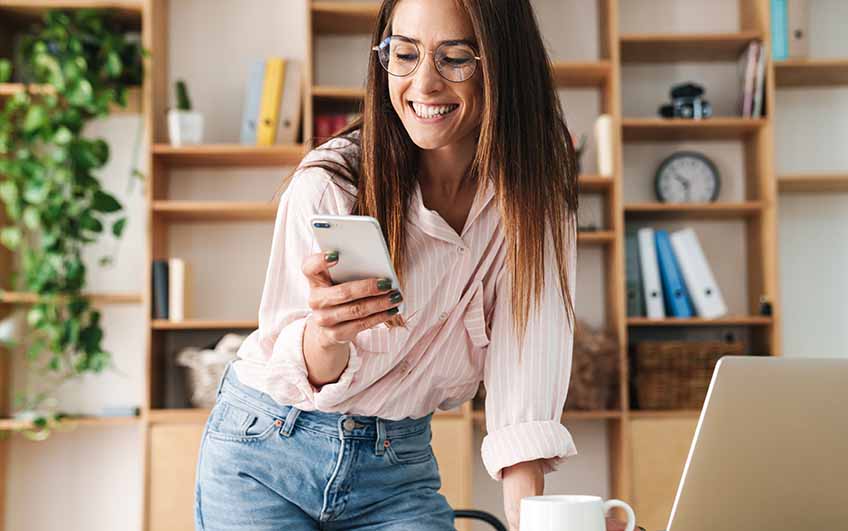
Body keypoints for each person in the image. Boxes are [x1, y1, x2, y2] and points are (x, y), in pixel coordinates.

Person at [194, 1, 638, 529]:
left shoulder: (533, 207)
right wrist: (327, 334)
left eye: (455, 58)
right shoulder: (331, 184)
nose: (422, 84)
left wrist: (530, 520)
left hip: (396, 469)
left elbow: (525, 373)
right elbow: (304, 374)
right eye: (404, 54)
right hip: (266, 452)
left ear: (503, 63)